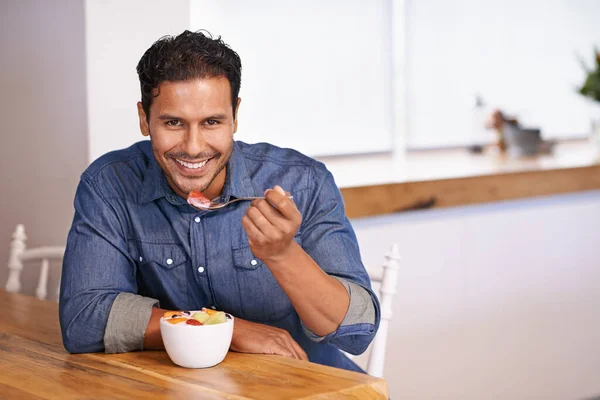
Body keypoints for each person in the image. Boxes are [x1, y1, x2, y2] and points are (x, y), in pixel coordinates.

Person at [59, 30, 380, 373]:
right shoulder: (109, 184)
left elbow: (357, 331)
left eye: (212, 122)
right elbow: (84, 319)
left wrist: (282, 254)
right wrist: (226, 329)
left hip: (313, 385)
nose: (194, 146)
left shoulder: (304, 181)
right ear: (144, 118)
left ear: (235, 115)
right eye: (173, 122)